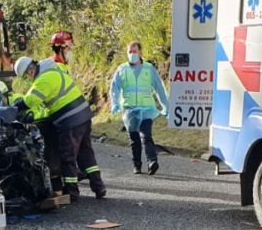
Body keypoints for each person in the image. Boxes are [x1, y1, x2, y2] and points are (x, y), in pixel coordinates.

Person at [14, 56, 105, 202]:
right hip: (84, 116)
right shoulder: (55, 72)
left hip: (69, 120)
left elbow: (32, 100)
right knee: (85, 153)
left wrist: (19, 105)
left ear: (30, 70)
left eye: (26, 75)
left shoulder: (43, 79)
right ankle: (99, 186)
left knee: (67, 156)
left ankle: (71, 192)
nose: (28, 78)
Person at [110, 41, 169, 175]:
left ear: (140, 52)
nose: (132, 54)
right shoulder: (122, 69)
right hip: (130, 110)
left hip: (146, 109)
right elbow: (115, 88)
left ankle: (152, 162)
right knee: (134, 139)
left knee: (146, 135)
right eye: (130, 52)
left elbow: (159, 87)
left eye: (134, 51)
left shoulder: (149, 69)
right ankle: (137, 164)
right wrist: (114, 103)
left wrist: (166, 105)